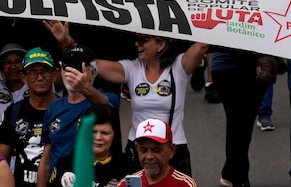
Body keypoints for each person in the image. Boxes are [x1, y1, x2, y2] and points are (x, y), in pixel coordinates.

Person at [46, 22, 206, 175]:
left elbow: (202, 44)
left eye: (143, 40)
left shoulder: (179, 67)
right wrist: (67, 41)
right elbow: (91, 63)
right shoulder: (131, 68)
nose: (137, 44)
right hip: (138, 149)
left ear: (161, 44)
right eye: (137, 39)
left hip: (172, 147)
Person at [36, 45, 118, 187]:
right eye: (67, 68)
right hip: (59, 181)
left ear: (93, 73)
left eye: (78, 68)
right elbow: (46, 159)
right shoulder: (54, 107)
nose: (71, 73)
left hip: (94, 180)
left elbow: (108, 111)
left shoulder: (106, 98)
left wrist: (85, 88)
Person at [0, 48, 59, 187]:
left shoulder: (65, 111)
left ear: (54, 75)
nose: (40, 77)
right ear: (24, 77)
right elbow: (1, 163)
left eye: (45, 71)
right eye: (33, 72)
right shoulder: (13, 113)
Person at [49, 104, 129, 187]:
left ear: (115, 135)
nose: (98, 137)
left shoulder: (126, 170)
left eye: (105, 133)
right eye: (93, 131)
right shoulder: (65, 163)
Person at [116, 119, 198, 187]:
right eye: (143, 150)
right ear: (137, 149)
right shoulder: (124, 185)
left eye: (156, 150)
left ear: (171, 150)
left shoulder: (185, 185)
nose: (149, 156)